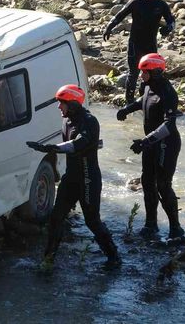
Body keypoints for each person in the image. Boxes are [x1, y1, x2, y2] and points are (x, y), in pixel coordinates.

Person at [27, 84, 121, 269]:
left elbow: (80, 143)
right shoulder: (66, 120)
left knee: (92, 221)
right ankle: (48, 260)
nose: (59, 107)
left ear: (73, 103)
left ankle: (114, 257)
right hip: (71, 178)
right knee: (55, 218)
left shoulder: (90, 121)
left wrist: (52, 148)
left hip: (88, 179)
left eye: (62, 103)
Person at [115, 53, 185, 239]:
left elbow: (169, 125)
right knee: (147, 183)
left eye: (144, 72)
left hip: (166, 144)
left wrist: (145, 141)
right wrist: (127, 109)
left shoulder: (168, 92)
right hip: (151, 143)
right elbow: (144, 100)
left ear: (154, 71)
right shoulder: (148, 86)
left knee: (163, 185)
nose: (140, 75)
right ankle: (151, 224)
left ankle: (176, 229)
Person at [103, 0, 175, 104]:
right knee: (134, 73)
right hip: (135, 43)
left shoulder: (161, 5)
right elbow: (120, 15)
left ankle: (147, 99)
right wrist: (109, 27)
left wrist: (168, 28)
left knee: (152, 73)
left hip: (150, 45)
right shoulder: (137, 2)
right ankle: (129, 102)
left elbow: (171, 20)